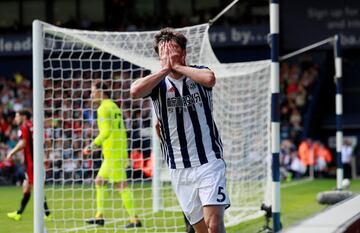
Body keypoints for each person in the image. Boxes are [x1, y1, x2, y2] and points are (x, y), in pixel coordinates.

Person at [130, 28, 230, 233]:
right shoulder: (158, 84)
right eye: (162, 52)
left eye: (172, 50)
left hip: (208, 162)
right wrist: (166, 70)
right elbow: (134, 91)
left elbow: (210, 79)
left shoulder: (198, 73)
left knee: (214, 225)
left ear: (183, 53)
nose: (166, 55)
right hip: (179, 168)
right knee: (201, 230)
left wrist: (177, 66)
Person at [83, 81, 141, 228]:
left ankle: (134, 219)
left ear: (101, 92)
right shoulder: (114, 106)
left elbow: (106, 131)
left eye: (93, 91)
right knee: (99, 181)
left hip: (114, 152)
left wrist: (92, 145)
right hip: (117, 150)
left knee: (121, 185)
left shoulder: (103, 108)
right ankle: (100, 216)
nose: (91, 95)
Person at [6, 110, 51, 221]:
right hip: (33, 162)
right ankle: (19, 213)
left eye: (17, 116)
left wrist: (12, 152)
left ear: (24, 117)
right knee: (26, 187)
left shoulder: (25, 127)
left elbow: (23, 143)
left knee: (36, 188)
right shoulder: (34, 126)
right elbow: (48, 140)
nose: (15, 119)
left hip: (32, 164)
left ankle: (47, 214)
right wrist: (46, 155)